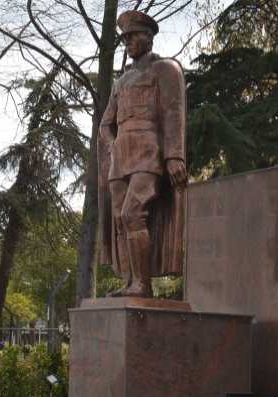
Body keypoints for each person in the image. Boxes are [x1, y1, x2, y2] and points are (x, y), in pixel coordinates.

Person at [98, 10, 188, 297]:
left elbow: (174, 113)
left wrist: (175, 155)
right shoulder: (121, 81)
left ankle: (143, 285)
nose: (128, 43)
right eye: (125, 39)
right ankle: (128, 282)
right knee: (120, 220)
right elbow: (105, 124)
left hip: (149, 151)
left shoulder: (165, 70)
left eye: (132, 37)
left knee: (133, 213)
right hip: (121, 156)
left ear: (147, 38)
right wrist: (113, 146)